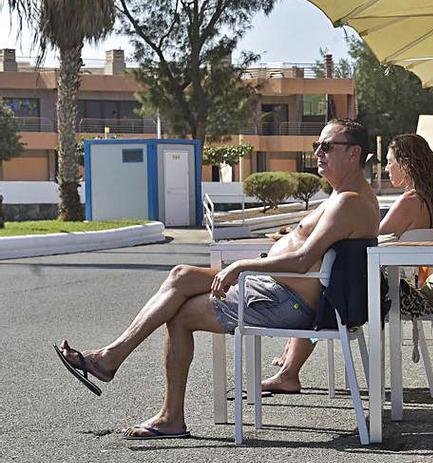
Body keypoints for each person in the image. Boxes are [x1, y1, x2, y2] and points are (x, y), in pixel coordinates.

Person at [53, 119, 380, 439]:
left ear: (354, 154)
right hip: (276, 287)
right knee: (180, 275)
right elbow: (304, 252)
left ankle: (156, 404)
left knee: (180, 315)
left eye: (327, 146)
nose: (318, 153)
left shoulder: (349, 202)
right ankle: (112, 361)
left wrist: (239, 266)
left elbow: (302, 259)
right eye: (316, 145)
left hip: (286, 298)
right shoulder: (346, 196)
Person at [263, 133, 433, 394]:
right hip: (400, 286)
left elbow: (368, 235)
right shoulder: (431, 203)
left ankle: (290, 370)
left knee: (321, 290)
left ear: (406, 163)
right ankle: (290, 364)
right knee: (323, 283)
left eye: (391, 162)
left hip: (385, 289)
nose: (388, 168)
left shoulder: (409, 201)